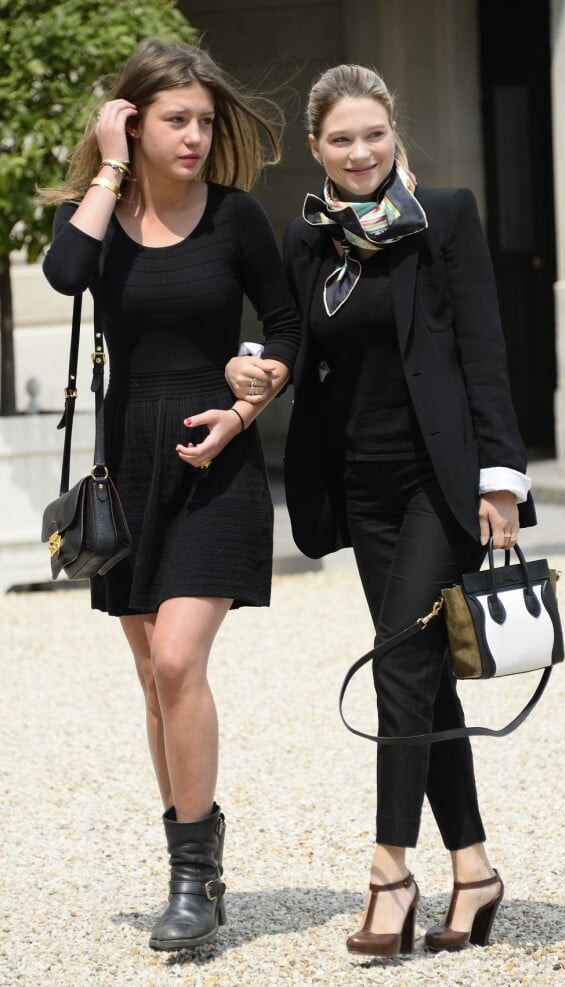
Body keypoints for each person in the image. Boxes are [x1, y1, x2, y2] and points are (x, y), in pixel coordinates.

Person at [225, 64, 536, 958]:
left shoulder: (446, 218)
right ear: (317, 149)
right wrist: (251, 365)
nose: (360, 152)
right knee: (425, 673)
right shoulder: (307, 239)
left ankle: (388, 870)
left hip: (441, 482)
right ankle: (473, 870)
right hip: (362, 486)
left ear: (393, 132)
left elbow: (483, 346)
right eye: (341, 139)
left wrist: (501, 480)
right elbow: (291, 338)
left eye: (374, 134)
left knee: (400, 663)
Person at [41, 37, 300, 952]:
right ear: (134, 121)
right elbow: (65, 276)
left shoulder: (235, 219)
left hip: (214, 458)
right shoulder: (99, 215)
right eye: (175, 120)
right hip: (128, 465)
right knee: (155, 681)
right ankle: (195, 865)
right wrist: (109, 169)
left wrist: (247, 401)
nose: (195, 136)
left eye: (204, 121)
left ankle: (194, 884)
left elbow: (286, 322)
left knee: (181, 661)